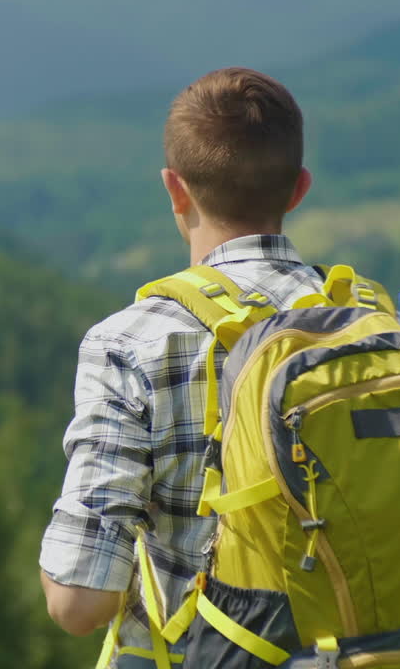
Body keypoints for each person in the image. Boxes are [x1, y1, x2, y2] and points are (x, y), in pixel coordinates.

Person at [38, 67, 324, 665]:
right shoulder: (372, 323)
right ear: (298, 190)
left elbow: (78, 603)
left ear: (175, 189)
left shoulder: (132, 343)